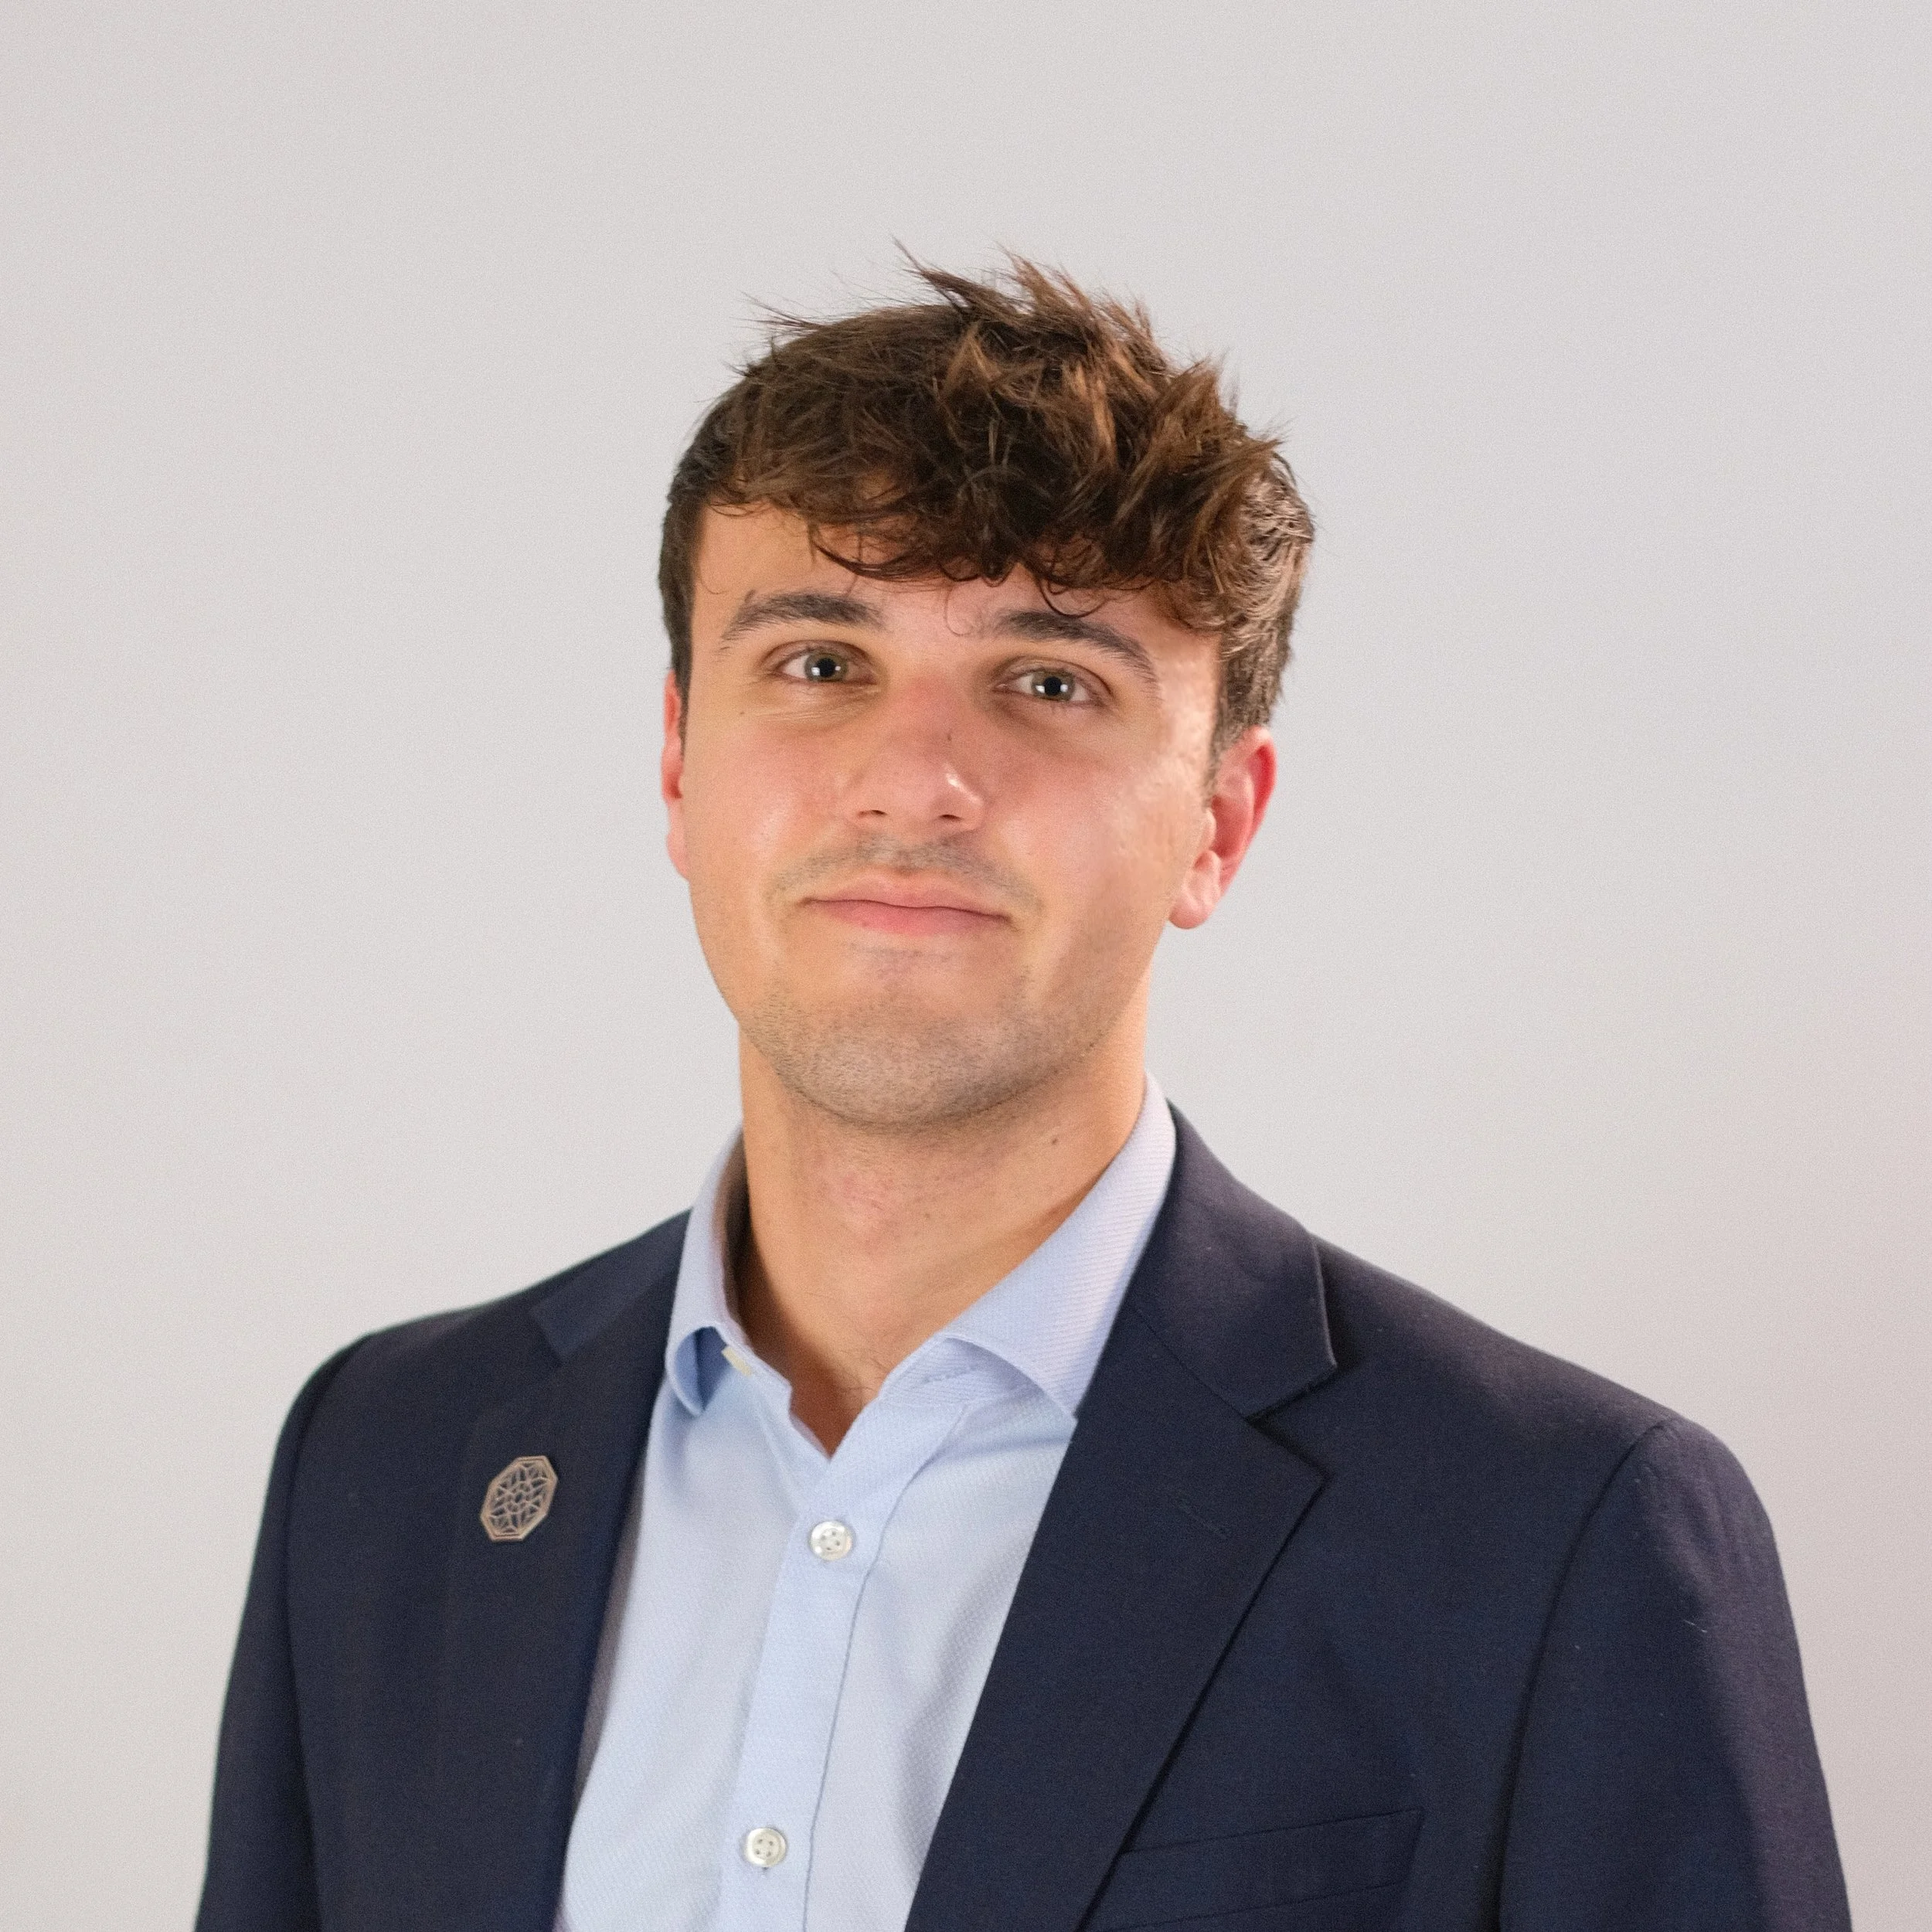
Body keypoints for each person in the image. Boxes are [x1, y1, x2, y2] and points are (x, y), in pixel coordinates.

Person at [196, 260, 1849, 1932]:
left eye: (1049, 681)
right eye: (819, 661)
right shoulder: (388, 1462)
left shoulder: (1555, 1533)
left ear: (1219, 819)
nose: (914, 774)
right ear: (681, 763)